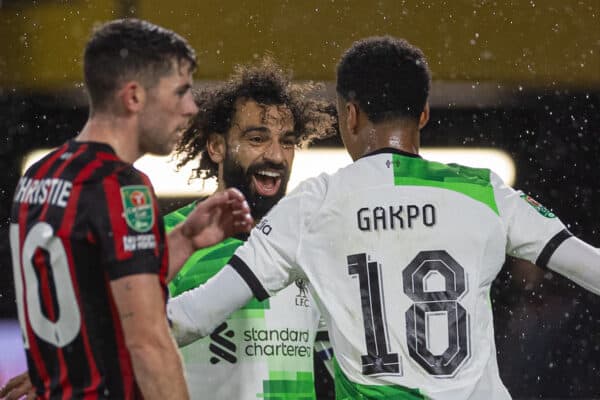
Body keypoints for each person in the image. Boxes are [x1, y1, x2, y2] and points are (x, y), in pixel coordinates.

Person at [166, 36, 600, 399]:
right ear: (425, 113)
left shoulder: (315, 204)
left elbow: (190, 318)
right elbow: (588, 266)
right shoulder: (484, 191)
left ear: (349, 116)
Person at [3, 19, 252, 400]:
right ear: (134, 97)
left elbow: (97, 289)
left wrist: (184, 239)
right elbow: (148, 342)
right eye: (181, 92)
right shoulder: (119, 188)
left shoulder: (41, 175)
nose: (191, 108)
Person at [166, 58, 336, 399]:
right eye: (257, 138)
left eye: (287, 142)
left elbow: (327, 362)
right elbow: (132, 340)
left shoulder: (311, 244)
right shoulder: (171, 237)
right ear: (217, 147)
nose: (276, 155)